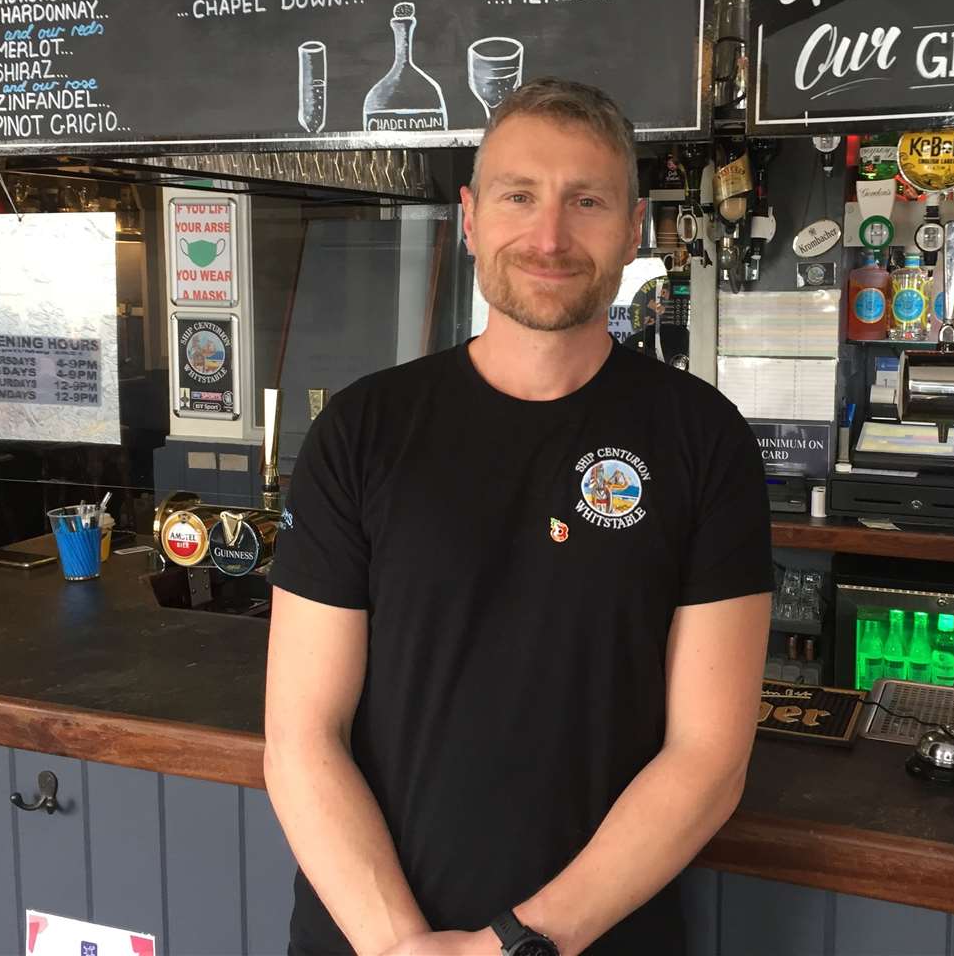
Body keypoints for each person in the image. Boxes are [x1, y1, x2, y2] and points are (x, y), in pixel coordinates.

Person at [265, 77, 772, 956]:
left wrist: (515, 946)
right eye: (518, 196)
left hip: (599, 939)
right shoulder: (362, 430)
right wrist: (401, 947)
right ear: (469, 217)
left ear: (632, 225)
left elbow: (708, 759)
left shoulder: (703, 439)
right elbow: (302, 735)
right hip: (369, 936)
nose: (548, 236)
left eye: (586, 201)